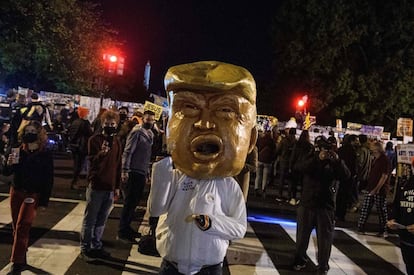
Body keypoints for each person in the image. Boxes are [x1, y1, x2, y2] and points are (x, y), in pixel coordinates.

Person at [148, 61, 256, 275]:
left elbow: (239, 228)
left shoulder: (228, 187)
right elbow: (156, 208)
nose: (204, 124)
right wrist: (163, 168)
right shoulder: (174, 175)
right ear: (168, 128)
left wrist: (212, 223)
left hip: (210, 268)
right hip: (172, 265)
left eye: (225, 110)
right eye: (189, 108)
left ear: (251, 139)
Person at [292, 135, 350, 274]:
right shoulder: (311, 156)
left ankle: (323, 266)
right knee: (302, 237)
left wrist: (337, 161)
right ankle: (299, 259)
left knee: (325, 239)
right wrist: (318, 158)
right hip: (307, 203)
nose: (325, 151)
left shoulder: (335, 161)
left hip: (326, 205)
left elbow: (346, 175)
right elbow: (298, 167)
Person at [3, 120, 54, 274]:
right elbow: (6, 173)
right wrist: (8, 163)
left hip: (32, 194)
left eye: (32, 131)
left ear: (39, 134)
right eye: (27, 131)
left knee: (22, 225)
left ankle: (17, 262)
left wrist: (44, 201)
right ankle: (21, 255)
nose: (29, 134)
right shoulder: (17, 150)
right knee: (16, 227)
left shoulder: (45, 154)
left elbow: (48, 179)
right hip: (17, 191)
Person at [79, 110, 122, 262]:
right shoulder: (94, 140)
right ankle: (85, 248)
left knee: (102, 219)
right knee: (90, 219)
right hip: (96, 185)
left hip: (109, 187)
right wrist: (101, 154)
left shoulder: (117, 142)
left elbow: (118, 165)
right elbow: (91, 162)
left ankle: (96, 245)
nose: (109, 126)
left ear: (116, 125)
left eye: (112, 124)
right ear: (102, 124)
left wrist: (117, 186)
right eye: (107, 123)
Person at [117, 110, 156, 243]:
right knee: (129, 202)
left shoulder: (150, 133)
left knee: (134, 202)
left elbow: (147, 156)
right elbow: (128, 152)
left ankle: (127, 228)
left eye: (152, 120)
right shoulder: (137, 132)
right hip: (133, 171)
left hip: (141, 171)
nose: (150, 122)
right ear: (143, 119)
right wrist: (124, 170)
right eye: (148, 119)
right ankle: (122, 231)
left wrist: (147, 173)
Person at [386, 157, 414, 275]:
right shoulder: (406, 183)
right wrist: (393, 219)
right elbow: (397, 204)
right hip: (406, 237)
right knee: (410, 267)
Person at [358, 141, 391, 237]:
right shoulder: (376, 159)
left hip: (379, 189)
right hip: (372, 187)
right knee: (366, 208)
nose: (370, 149)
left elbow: (384, 176)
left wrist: (376, 189)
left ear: (377, 149)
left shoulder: (384, 160)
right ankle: (361, 227)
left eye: (372, 147)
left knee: (381, 210)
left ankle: (383, 230)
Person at [67, 106, 93, 190]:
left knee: (76, 164)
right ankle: (74, 182)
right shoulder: (85, 123)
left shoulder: (75, 122)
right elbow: (90, 133)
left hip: (74, 146)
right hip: (81, 146)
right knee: (79, 165)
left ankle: (74, 182)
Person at [254, 129, 276, 198]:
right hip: (267, 161)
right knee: (265, 177)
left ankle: (256, 188)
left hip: (260, 159)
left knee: (258, 176)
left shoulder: (261, 140)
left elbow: (256, 147)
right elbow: (274, 151)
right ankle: (263, 190)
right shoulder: (272, 141)